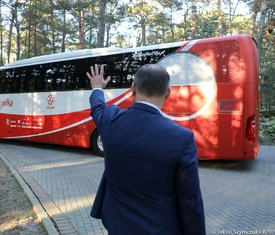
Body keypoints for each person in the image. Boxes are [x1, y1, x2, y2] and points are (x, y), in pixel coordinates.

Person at [86, 64, 206, 235]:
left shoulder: (111, 120)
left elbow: (97, 107)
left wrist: (97, 88)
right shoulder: (181, 137)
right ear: (167, 93)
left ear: (133, 88)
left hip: (116, 225)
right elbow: (190, 200)